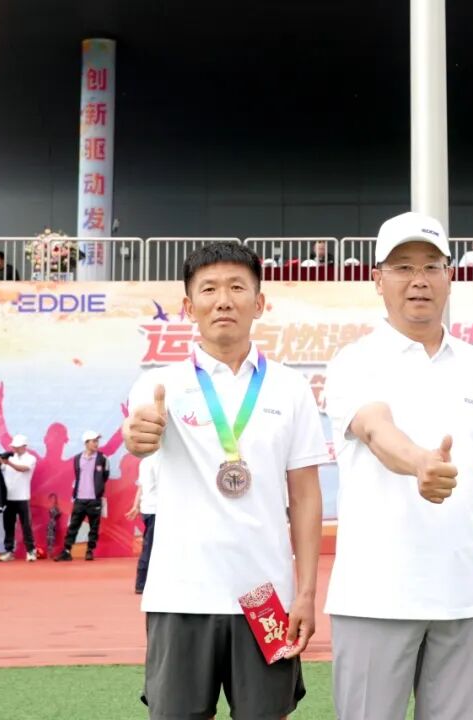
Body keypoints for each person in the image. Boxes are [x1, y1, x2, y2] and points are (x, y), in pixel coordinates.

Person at [123, 241, 325, 719]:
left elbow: (305, 496)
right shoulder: (161, 385)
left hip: (265, 595)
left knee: (267, 714)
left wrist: (306, 593)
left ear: (259, 302)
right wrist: (138, 435)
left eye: (237, 287)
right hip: (180, 594)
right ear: (189, 306)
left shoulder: (290, 388)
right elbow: (138, 434)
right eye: (209, 289)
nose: (223, 300)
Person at [323, 211, 473, 720]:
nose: (419, 279)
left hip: (462, 595)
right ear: (377, 279)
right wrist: (420, 463)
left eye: (431, 266)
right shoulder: (355, 360)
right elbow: (375, 429)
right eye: (402, 267)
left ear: (450, 276)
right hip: (376, 594)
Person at [56, 430, 109, 561]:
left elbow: (105, 476)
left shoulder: (103, 458)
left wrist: (98, 490)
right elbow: (78, 475)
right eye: (93, 441)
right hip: (80, 499)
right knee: (73, 526)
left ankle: (90, 551)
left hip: (94, 499)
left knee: (94, 527)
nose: (96, 444)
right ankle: (66, 551)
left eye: (97, 441)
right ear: (86, 443)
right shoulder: (77, 458)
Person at [0, 434, 37, 562]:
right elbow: (0, 470)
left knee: (26, 526)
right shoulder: (9, 457)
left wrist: (8, 463)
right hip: (8, 498)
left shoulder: (31, 458)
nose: (15, 448)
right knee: (8, 525)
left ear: (25, 446)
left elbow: (23, 469)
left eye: (18, 446)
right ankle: (9, 551)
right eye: (14, 446)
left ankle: (30, 551)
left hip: (23, 497)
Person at [126, 453, 160, 593]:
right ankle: (141, 583)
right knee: (150, 547)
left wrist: (136, 506)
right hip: (156, 509)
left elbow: (141, 487)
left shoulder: (145, 461)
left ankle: (144, 582)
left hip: (149, 509)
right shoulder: (158, 460)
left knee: (150, 546)